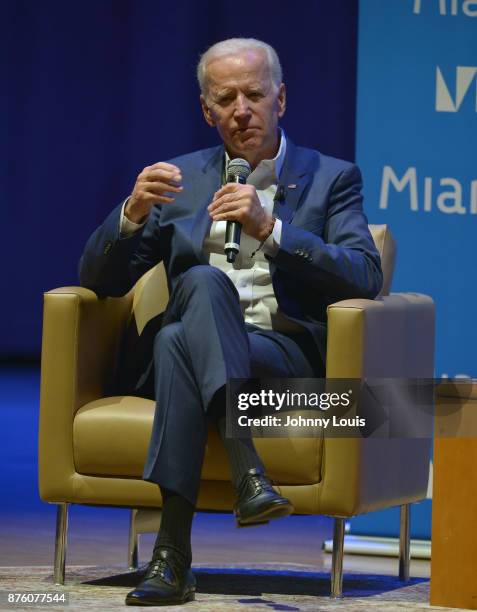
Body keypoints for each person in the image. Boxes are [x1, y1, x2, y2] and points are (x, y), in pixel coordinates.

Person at [79, 38, 382, 607]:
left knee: (176, 339)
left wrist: (273, 230)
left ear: (281, 99)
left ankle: (171, 557)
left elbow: (364, 275)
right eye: (227, 98)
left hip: (279, 356)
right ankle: (248, 472)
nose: (242, 109)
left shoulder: (332, 179)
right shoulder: (179, 179)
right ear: (207, 110)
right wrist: (130, 214)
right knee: (194, 295)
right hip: (198, 346)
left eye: (254, 94)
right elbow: (98, 281)